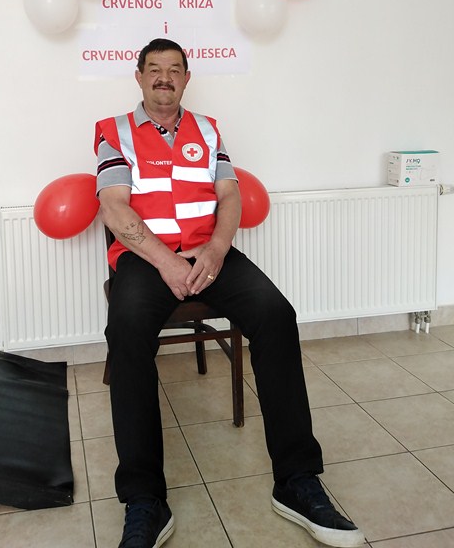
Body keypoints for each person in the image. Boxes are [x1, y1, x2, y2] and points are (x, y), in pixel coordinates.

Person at [94, 38, 364, 548]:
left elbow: (230, 195)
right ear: (139, 76)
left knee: (276, 314)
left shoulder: (207, 130)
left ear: (186, 78)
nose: (165, 77)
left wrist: (217, 249)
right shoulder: (116, 133)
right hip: (147, 259)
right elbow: (113, 207)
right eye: (155, 68)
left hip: (209, 253)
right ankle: (144, 499)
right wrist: (168, 262)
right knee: (125, 331)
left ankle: (297, 481)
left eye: (175, 69)